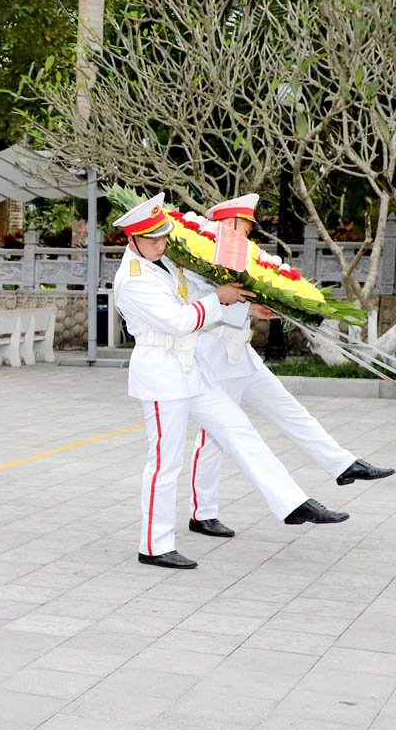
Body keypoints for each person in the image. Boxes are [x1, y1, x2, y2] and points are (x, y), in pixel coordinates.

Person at [112, 193, 350, 570]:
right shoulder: (134, 279)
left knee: (239, 430)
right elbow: (181, 320)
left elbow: (198, 297)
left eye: (162, 236)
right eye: (152, 238)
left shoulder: (160, 263)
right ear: (132, 239)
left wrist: (242, 305)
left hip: (190, 369)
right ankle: (154, 545)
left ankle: (291, 503)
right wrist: (219, 300)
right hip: (161, 375)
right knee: (165, 463)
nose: (161, 243)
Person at [184, 194, 392, 538]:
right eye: (244, 225)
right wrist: (249, 306)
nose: (248, 233)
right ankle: (203, 512)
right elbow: (202, 305)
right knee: (216, 437)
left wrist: (266, 305)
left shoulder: (236, 255)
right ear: (225, 223)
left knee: (289, 409)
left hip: (241, 351)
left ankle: (342, 464)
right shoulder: (197, 257)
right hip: (214, 355)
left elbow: (239, 299)